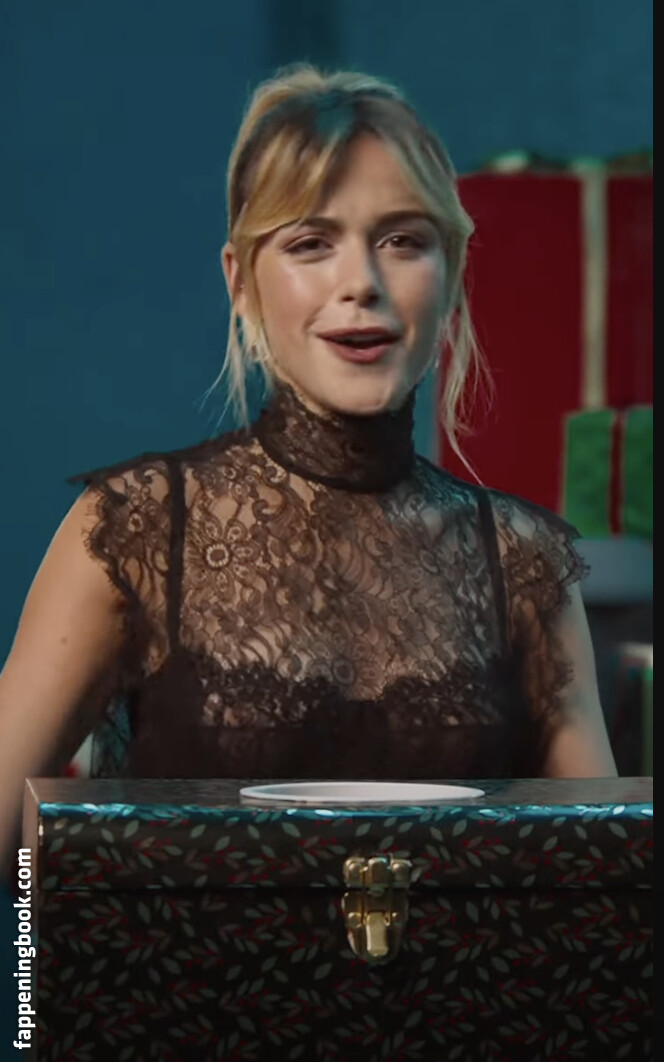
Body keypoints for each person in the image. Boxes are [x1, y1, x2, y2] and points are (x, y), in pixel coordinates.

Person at [0, 65, 616, 868]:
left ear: (454, 274)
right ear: (241, 282)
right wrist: (53, 953)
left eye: (403, 240)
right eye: (310, 244)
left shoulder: (526, 563)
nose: (360, 283)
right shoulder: (134, 529)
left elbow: (608, 879)